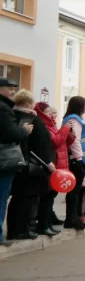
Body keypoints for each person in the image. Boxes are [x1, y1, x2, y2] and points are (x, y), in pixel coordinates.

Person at [7, 90, 55, 240]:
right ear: (28, 103)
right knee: (29, 197)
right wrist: (48, 161)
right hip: (33, 166)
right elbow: (39, 143)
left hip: (22, 163)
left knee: (19, 198)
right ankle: (24, 229)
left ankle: (16, 229)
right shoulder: (29, 118)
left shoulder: (15, 116)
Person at [34, 102, 72, 233]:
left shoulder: (52, 125)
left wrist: (70, 136)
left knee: (51, 194)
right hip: (50, 163)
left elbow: (62, 141)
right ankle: (43, 224)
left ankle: (47, 222)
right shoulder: (43, 126)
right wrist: (65, 129)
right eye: (49, 112)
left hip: (58, 163)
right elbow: (55, 141)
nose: (52, 115)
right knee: (47, 195)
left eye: (53, 113)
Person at [0, 78, 28, 245]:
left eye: (14, 88)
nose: (12, 91)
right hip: (4, 160)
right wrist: (24, 129)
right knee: (2, 197)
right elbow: (13, 134)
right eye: (9, 88)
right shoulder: (4, 109)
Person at [61, 96, 85, 231]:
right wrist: (79, 158)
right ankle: (71, 219)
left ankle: (75, 217)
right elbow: (75, 140)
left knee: (77, 190)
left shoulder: (74, 119)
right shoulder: (74, 120)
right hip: (78, 159)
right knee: (74, 191)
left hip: (80, 158)